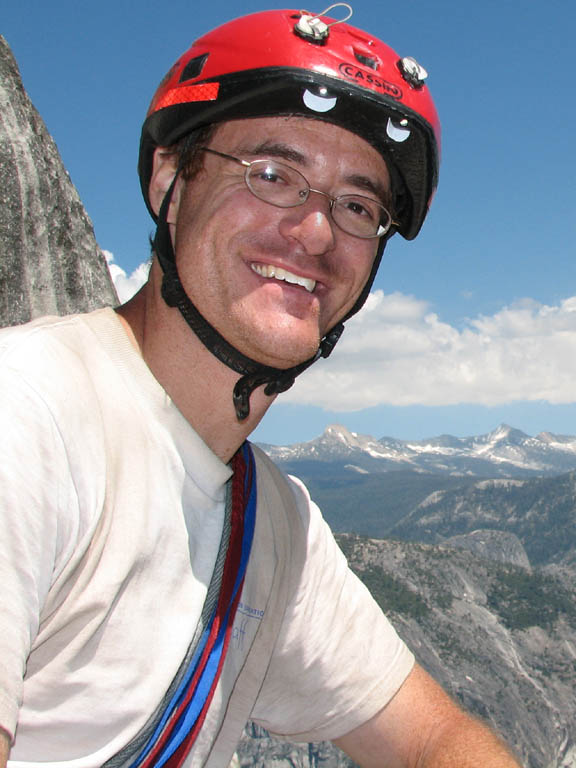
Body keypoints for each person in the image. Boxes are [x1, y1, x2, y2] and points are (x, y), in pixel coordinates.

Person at [0, 7, 522, 767]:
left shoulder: (275, 524)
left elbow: (432, 741)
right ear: (170, 178)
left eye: (356, 206)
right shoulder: (27, 413)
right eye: (273, 175)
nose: (315, 234)